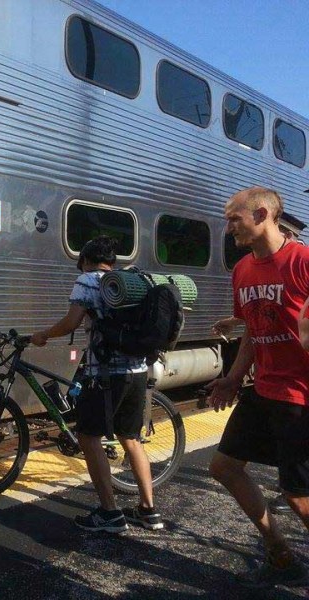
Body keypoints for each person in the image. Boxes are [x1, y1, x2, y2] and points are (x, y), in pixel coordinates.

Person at [207, 186, 309, 589]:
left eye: (234, 218)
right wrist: (234, 378)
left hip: (300, 396)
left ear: (263, 214)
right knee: (224, 467)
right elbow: (253, 329)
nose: (228, 226)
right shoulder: (242, 270)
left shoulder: (302, 261)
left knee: (298, 497)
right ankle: (281, 554)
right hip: (264, 390)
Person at [31, 236, 163, 532]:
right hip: (139, 369)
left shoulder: (88, 279)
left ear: (85, 260)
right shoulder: (133, 280)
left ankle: (109, 513)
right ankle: (149, 511)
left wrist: (43, 334)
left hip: (105, 375)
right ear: (112, 260)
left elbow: (72, 321)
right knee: (131, 439)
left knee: (88, 438)